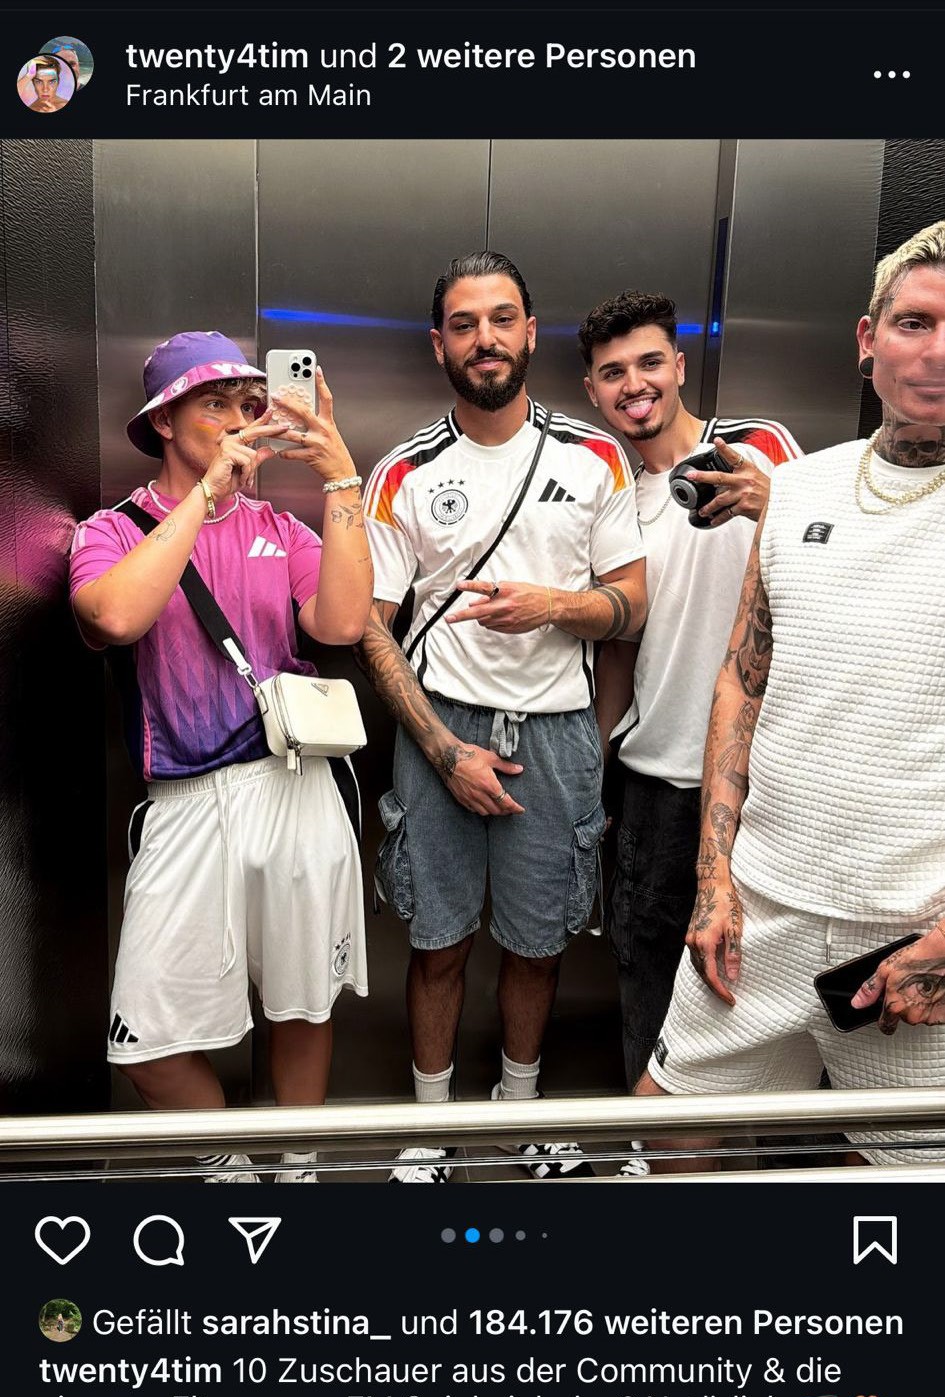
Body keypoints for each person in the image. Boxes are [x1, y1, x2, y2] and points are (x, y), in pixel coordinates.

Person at [636, 221, 945, 1168]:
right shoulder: (798, 490)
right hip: (757, 913)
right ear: (866, 339)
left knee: (907, 1182)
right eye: (914, 323)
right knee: (663, 1134)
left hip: (915, 944)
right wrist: (713, 881)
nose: (936, 352)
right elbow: (743, 678)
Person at [359, 251, 646, 1183]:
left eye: (501, 319)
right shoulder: (402, 470)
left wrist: (554, 606)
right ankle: (430, 1128)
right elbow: (371, 631)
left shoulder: (593, 456)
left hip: (558, 733)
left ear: (529, 331)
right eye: (463, 324)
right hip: (436, 726)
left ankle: (520, 1112)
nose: (484, 338)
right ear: (437, 344)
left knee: (538, 943)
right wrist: (443, 751)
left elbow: (630, 605)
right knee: (437, 941)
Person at [70, 331, 373, 1182]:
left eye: (248, 402)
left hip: (293, 786)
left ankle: (299, 1175)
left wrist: (341, 477)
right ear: (164, 422)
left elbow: (343, 623)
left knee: (301, 1005)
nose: (240, 419)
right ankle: (229, 1171)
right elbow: (114, 617)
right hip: (184, 802)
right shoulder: (109, 530)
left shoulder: (280, 527)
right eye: (215, 404)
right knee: (146, 1045)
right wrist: (204, 496)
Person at [581, 292, 801, 1120]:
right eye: (611, 373)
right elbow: (620, 646)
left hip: (768, 779)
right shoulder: (613, 498)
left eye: (648, 363)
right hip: (656, 784)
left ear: (678, 367)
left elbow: (830, 558)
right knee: (647, 970)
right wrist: (594, 766)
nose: (633, 385)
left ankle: (756, 1155)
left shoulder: (760, 449)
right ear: (593, 393)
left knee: (763, 981)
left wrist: (774, 504)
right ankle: (651, 1150)